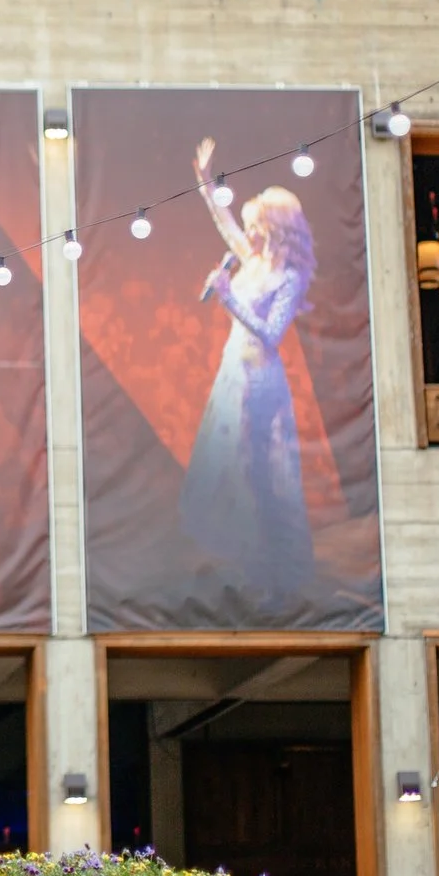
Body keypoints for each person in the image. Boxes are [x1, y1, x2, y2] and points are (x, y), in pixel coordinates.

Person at [182, 137, 318, 604]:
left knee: (256, 474)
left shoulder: (289, 277)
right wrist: (204, 182)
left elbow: (271, 334)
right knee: (228, 470)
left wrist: (228, 296)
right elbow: (225, 228)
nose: (252, 235)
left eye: (259, 227)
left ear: (278, 229)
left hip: (260, 383)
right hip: (232, 372)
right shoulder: (256, 260)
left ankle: (267, 576)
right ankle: (235, 567)